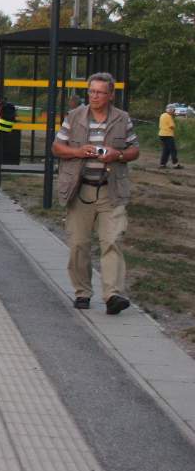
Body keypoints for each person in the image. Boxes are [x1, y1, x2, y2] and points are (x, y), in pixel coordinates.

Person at [53, 73, 140, 314]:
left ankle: (113, 294)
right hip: (80, 190)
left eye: (100, 92)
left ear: (111, 95)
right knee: (79, 244)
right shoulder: (75, 117)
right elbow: (57, 147)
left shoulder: (123, 119)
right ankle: (82, 292)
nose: (94, 96)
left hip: (111, 191)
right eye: (91, 91)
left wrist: (118, 155)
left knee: (112, 241)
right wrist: (79, 151)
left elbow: (134, 150)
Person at [159, 104, 182, 169]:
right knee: (173, 150)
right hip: (168, 135)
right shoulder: (168, 116)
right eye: (173, 110)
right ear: (170, 110)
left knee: (166, 150)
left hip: (161, 134)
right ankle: (175, 164)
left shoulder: (162, 115)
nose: (174, 112)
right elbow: (172, 126)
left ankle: (162, 164)